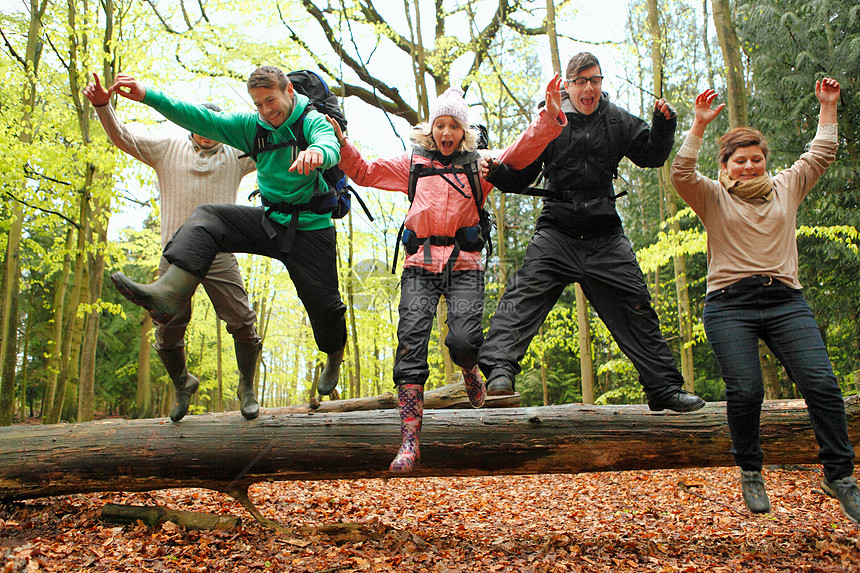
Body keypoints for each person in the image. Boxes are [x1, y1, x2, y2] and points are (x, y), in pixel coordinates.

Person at [329, 78, 567, 473]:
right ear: (431, 128)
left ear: (464, 132)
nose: (446, 132)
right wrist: (339, 142)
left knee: (464, 339)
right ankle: (409, 441)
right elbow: (365, 171)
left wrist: (549, 116)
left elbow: (521, 152)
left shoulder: (480, 165)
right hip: (419, 265)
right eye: (441, 125)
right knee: (410, 344)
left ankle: (468, 367)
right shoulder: (412, 164)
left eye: (454, 126)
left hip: (464, 265)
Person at [670, 79, 859, 522]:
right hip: (728, 305)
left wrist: (827, 106)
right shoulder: (712, 196)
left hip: (784, 300)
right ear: (727, 165)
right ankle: (751, 470)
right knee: (747, 390)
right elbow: (680, 174)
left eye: (757, 159)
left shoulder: (788, 186)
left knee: (823, 385)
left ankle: (840, 475)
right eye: (741, 161)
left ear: (765, 161)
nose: (750, 166)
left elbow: (822, 153)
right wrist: (698, 125)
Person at [105, 66, 348, 407]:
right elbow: (198, 117)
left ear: (288, 91)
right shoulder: (251, 128)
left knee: (324, 307)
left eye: (271, 100)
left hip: (310, 230)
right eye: (258, 104)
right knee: (208, 216)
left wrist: (318, 153)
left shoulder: (310, 119)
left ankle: (334, 356)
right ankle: (168, 293)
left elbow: (329, 143)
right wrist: (147, 95)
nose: (266, 110)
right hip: (269, 221)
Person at [480, 52, 705, 413]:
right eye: (581, 81)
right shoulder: (550, 121)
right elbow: (520, 177)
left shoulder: (616, 120)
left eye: (595, 80)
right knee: (521, 296)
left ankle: (663, 388)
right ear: (567, 85)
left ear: (601, 84)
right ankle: (499, 373)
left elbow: (650, 155)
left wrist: (663, 126)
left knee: (637, 306)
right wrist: (497, 173)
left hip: (605, 234)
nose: (589, 88)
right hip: (557, 229)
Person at [84, 74, 261, 423]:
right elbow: (124, 137)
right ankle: (182, 383)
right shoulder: (166, 148)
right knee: (166, 326)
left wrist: (310, 120)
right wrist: (103, 106)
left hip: (220, 255)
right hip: (174, 255)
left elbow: (275, 145)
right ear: (191, 124)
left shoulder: (237, 154)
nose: (208, 130)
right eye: (201, 123)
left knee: (242, 320)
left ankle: (247, 386)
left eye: (216, 125)